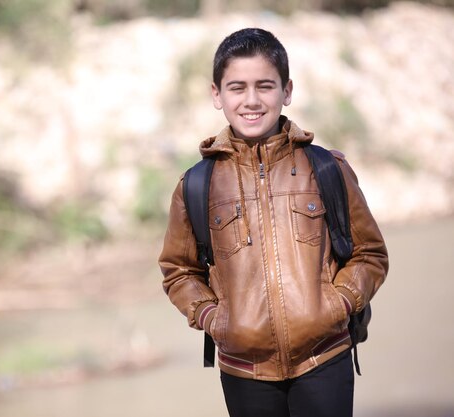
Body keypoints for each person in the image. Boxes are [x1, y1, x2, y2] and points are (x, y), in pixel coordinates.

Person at [158, 28, 388, 417]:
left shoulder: (327, 168)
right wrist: (215, 319)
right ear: (217, 94)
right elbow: (179, 272)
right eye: (237, 87)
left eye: (265, 86)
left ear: (287, 90)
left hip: (325, 360)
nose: (251, 100)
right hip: (244, 372)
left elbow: (370, 254)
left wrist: (340, 302)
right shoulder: (197, 184)